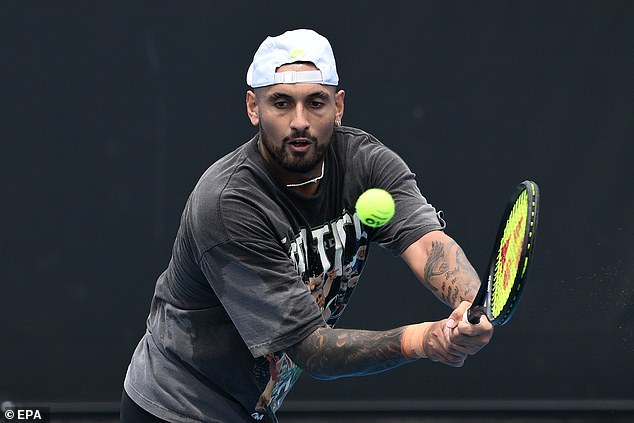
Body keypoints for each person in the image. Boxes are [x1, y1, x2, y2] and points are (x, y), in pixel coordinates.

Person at [121, 28, 494, 423]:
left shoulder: (366, 164)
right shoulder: (229, 204)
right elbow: (312, 350)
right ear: (253, 107)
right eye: (281, 103)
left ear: (338, 106)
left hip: (251, 407)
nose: (299, 121)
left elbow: (425, 242)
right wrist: (426, 340)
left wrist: (471, 305)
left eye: (315, 102)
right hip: (177, 406)